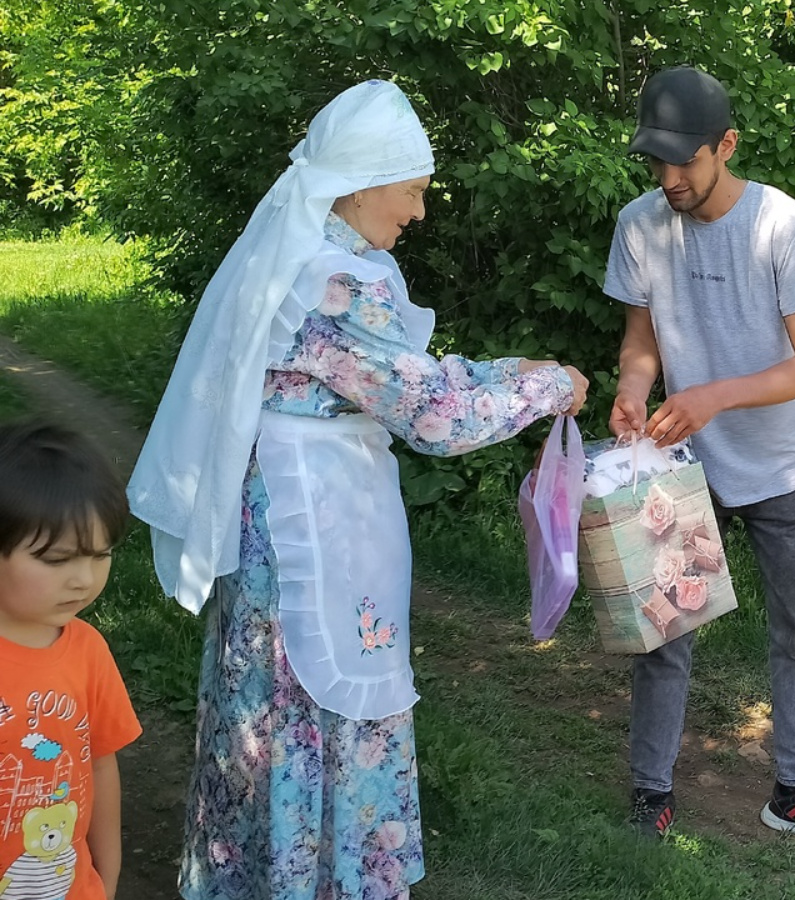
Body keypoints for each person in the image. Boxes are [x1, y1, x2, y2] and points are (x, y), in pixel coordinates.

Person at [126, 80, 587, 900]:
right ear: (360, 183)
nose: (417, 211)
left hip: (289, 503)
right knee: (311, 693)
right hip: (313, 520)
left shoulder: (303, 263)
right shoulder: (336, 282)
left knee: (269, 702)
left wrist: (507, 371)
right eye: (410, 189)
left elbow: (394, 377)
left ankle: (264, 871)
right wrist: (547, 387)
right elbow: (436, 413)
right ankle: (319, 882)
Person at [605, 66, 795, 853]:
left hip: (783, 464)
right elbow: (641, 340)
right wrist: (631, 388)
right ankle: (651, 791)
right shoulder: (639, 223)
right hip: (678, 462)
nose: (670, 179)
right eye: (657, 163)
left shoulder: (784, 225)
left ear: (726, 145)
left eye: (684, 160)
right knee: (665, 632)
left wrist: (714, 395)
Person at [0, 420, 142, 900]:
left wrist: (108, 870)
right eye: (57, 560)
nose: (84, 579)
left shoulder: (87, 651)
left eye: (100, 555)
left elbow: (101, 764)